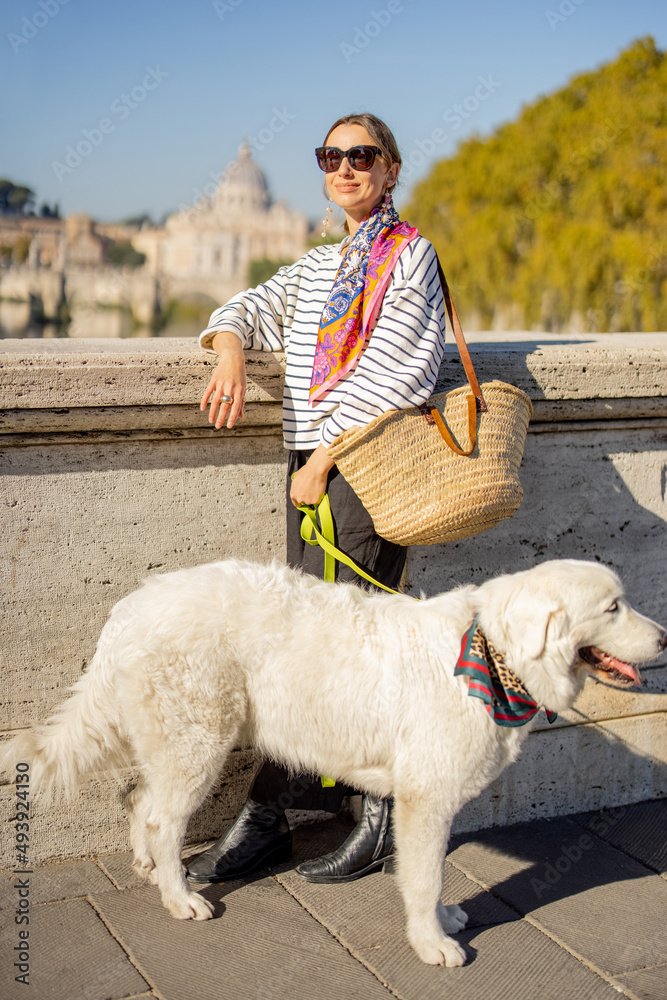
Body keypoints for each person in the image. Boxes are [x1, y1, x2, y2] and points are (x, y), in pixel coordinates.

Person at [186, 112, 447, 885]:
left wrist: (325, 459)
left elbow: (402, 372)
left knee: (351, 648)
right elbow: (242, 310)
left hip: (359, 470)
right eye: (330, 156)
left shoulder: (411, 255)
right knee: (304, 646)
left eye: (360, 155)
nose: (344, 167)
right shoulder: (317, 266)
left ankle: (374, 818)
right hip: (312, 466)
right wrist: (230, 356)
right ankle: (280, 815)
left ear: (390, 168)